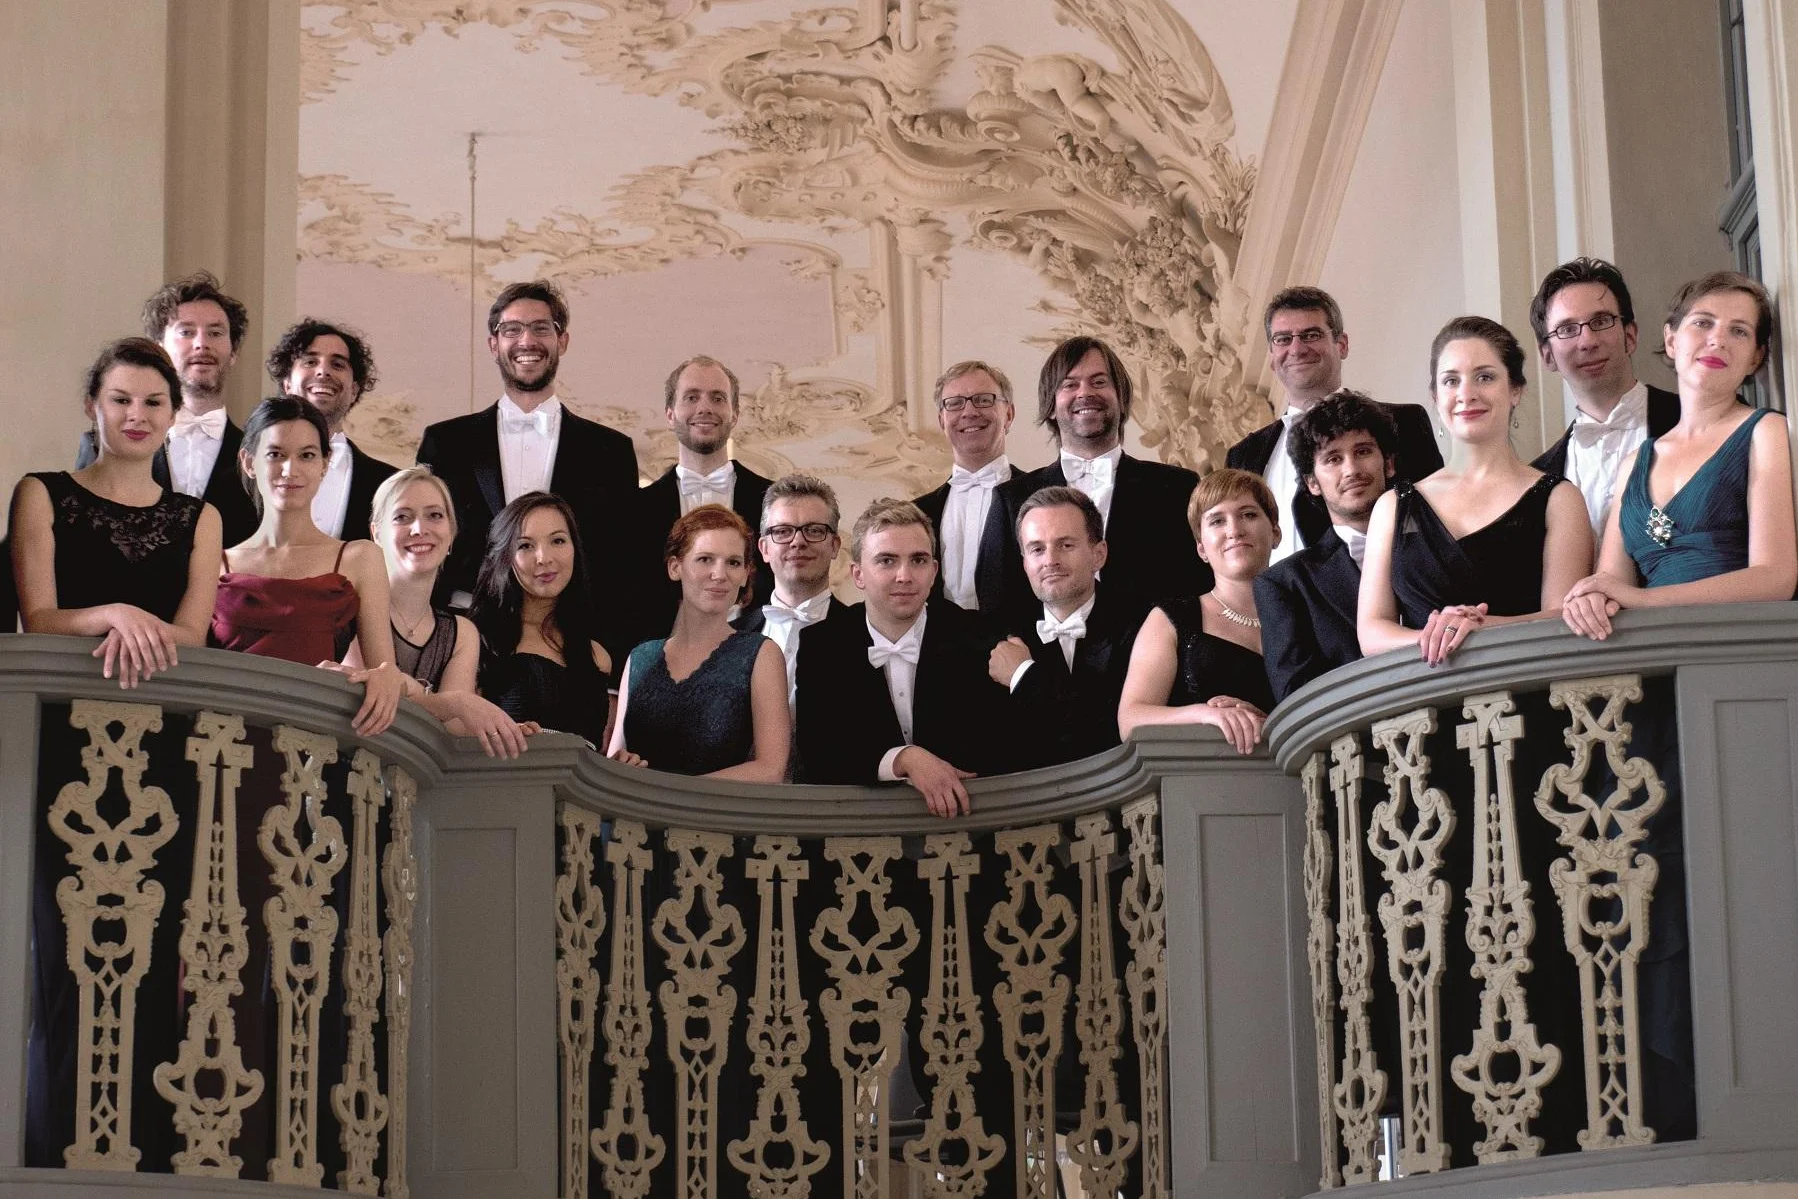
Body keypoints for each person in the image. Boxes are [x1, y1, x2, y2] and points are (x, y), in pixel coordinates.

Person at [1563, 271, 1797, 639]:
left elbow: (1776, 578)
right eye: (1703, 323)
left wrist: (1643, 600)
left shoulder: (1765, 432)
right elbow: (1611, 581)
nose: (1717, 339)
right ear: (1671, 340)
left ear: (1756, 357)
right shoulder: (1634, 463)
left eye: (1739, 331)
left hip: (1739, 646)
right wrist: (1590, 598)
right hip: (1648, 652)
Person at [1359, 316, 1592, 666]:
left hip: (1526, 682)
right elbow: (1371, 632)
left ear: (1515, 390)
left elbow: (1562, 619)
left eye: (1484, 377)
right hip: (1421, 692)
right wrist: (1441, 636)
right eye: (1451, 381)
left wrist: (1481, 628)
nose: (1466, 394)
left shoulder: (1559, 498)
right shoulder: (1393, 506)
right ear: (1435, 397)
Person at [415, 279, 638, 636]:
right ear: (493, 344)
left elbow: (621, 563)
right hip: (465, 630)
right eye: (512, 330)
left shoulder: (611, 451)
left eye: (541, 328)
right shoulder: (445, 443)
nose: (527, 341)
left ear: (562, 340)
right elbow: (425, 545)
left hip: (572, 634)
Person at [12, 338, 222, 687]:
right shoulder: (40, 493)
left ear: (172, 415)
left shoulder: (202, 518)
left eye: (153, 402)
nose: (137, 415)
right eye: (121, 400)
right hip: (58, 688)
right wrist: (114, 615)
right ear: (91, 405)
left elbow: (192, 636)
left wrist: (132, 629)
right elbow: (38, 619)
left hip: (163, 693)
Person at [795, 498, 1010, 815]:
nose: (904, 575)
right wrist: (903, 759)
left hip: (966, 821)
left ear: (934, 572)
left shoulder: (980, 637)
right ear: (858, 574)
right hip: (862, 826)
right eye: (887, 561)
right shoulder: (822, 645)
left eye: (918, 560)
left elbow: (997, 747)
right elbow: (820, 754)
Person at [209, 396, 407, 736]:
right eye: (275, 454)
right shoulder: (216, 562)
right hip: (226, 738)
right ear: (249, 462)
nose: (291, 470)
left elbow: (382, 671)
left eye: (307, 455)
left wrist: (387, 676)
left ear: (324, 464)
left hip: (317, 738)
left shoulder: (360, 558)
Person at [988, 336, 1205, 626]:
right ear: (1051, 405)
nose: (1085, 393)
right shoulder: (1011, 498)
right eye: (1070, 384)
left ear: (1121, 399)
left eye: (1099, 382)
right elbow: (997, 603)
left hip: (1154, 650)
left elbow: (1196, 589)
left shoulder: (1177, 488)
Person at [1227, 286, 1442, 561]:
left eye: (1311, 335)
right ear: (1271, 354)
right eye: (1283, 339)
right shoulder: (1244, 455)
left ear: (1342, 345)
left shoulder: (1404, 423)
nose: (1296, 349)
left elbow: (1433, 522)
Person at [359, 466, 536, 757]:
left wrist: (503, 729)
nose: (420, 529)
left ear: (451, 533)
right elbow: (365, 704)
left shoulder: (461, 633)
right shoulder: (353, 606)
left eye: (434, 515)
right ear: (376, 533)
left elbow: (449, 733)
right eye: (402, 517)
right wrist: (453, 703)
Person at [76, 271, 259, 544]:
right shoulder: (99, 445)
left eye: (215, 333)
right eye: (186, 332)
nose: (202, 343)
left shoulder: (260, 455)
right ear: (159, 348)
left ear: (233, 352)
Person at [609, 505, 790, 779]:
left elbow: (770, 770)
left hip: (714, 808)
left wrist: (669, 794)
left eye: (733, 563)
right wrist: (623, 765)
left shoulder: (761, 654)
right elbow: (614, 762)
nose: (720, 574)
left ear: (745, 574)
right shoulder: (640, 657)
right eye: (705, 559)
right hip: (633, 806)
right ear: (675, 567)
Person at [1117, 469, 1279, 754]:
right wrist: (1206, 715)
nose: (1234, 530)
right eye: (1217, 521)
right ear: (1201, 548)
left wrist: (1271, 725)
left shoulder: (1307, 614)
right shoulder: (1170, 619)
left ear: (1275, 533)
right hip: (1199, 778)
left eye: (1248, 515)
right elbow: (1130, 720)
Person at [1254, 390, 1397, 702]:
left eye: (1363, 451)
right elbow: (1295, 694)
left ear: (1388, 464)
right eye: (1333, 459)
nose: (1351, 470)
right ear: (1312, 483)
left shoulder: (1435, 544)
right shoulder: (1284, 584)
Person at [1530, 258, 1683, 537]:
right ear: (1547, 356)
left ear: (1630, 336)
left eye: (1601, 321)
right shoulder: (1536, 480)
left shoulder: (1699, 421)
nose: (1587, 341)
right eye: (1567, 329)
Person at [627, 355, 772, 645]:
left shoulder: (772, 501)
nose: (705, 408)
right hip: (658, 657)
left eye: (718, 398)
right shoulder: (635, 509)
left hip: (755, 655)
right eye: (692, 397)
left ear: (734, 414)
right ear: (670, 414)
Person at [986, 486, 1135, 765]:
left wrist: (1022, 674)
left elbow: (1104, 736)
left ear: (1098, 555)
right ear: (1024, 563)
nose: (1050, 561)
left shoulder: (1142, 626)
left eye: (1065, 545)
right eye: (1037, 549)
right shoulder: (998, 636)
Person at [469, 491, 614, 746]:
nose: (544, 558)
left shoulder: (597, 656)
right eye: (525, 545)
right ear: (504, 555)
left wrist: (618, 762)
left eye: (558, 541)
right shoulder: (474, 641)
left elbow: (591, 752)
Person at [267, 317, 397, 541]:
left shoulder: (389, 483)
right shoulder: (246, 471)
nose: (323, 371)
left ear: (354, 390)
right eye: (310, 362)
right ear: (287, 384)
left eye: (337, 364)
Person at [736, 473, 852, 707]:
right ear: (764, 549)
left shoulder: (864, 635)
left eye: (814, 530)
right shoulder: (729, 638)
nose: (798, 541)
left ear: (834, 546)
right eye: (782, 531)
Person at [912, 360, 1015, 611]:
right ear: (942, 420)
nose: (969, 412)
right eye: (955, 403)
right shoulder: (916, 513)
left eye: (983, 400)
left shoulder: (1043, 496)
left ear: (1009, 415)